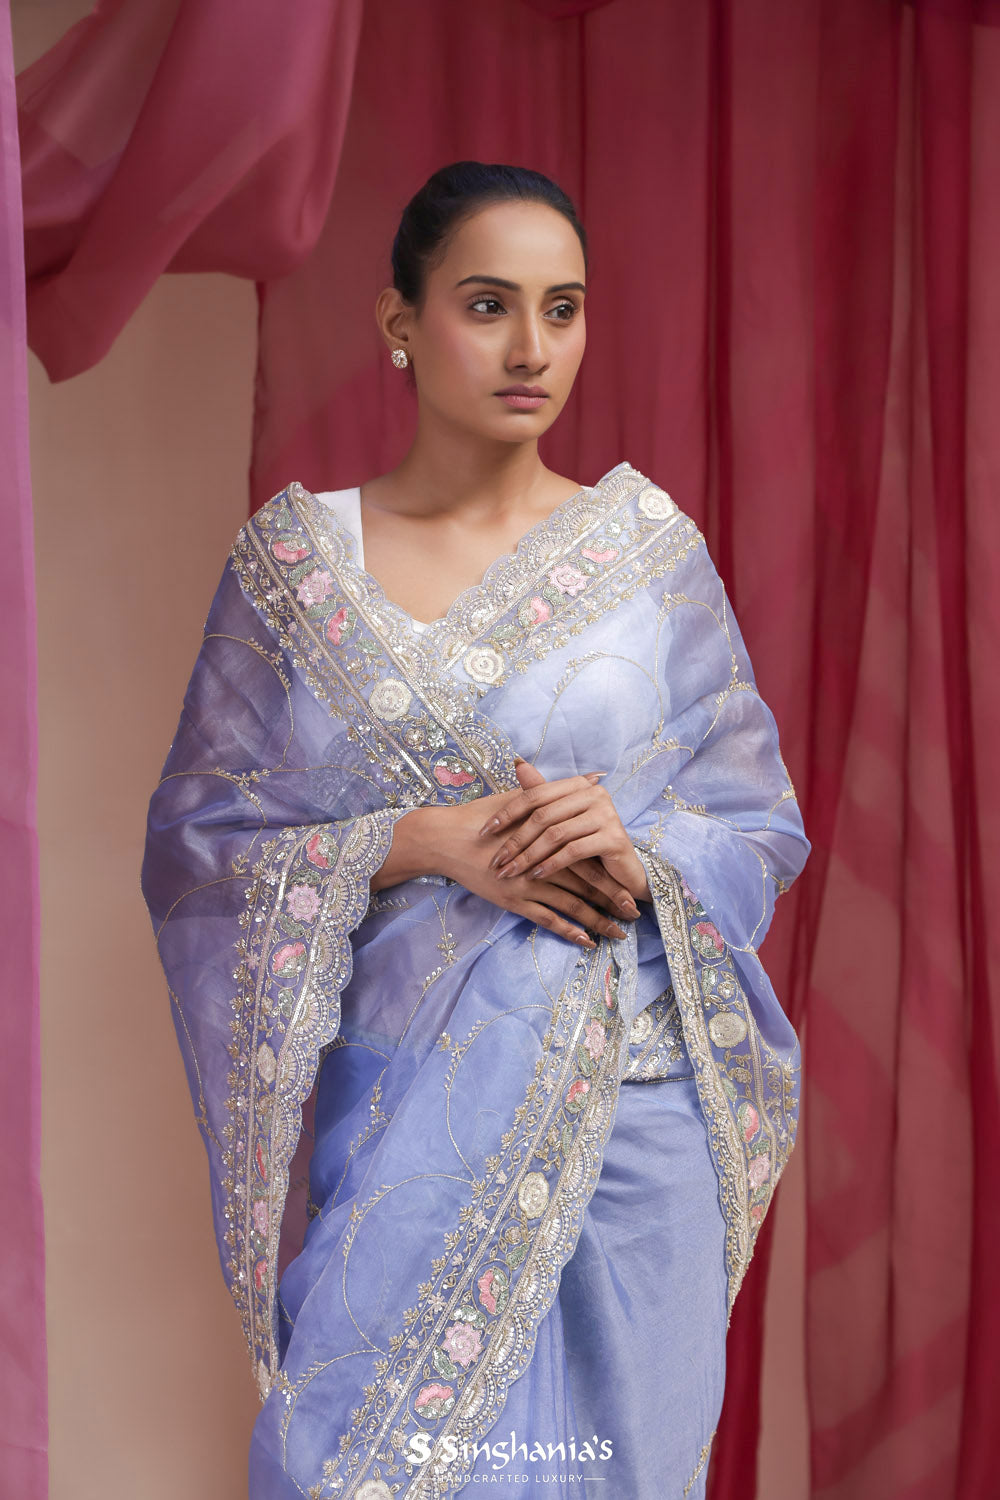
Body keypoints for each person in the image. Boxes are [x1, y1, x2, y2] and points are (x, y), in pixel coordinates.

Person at [142, 161, 809, 1500]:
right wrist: (422, 840)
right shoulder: (298, 571)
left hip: (633, 1126)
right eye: (489, 305)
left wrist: (634, 846)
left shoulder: (648, 554)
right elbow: (201, 844)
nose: (530, 349)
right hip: (403, 1123)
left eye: (562, 309)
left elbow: (754, 819)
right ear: (402, 321)